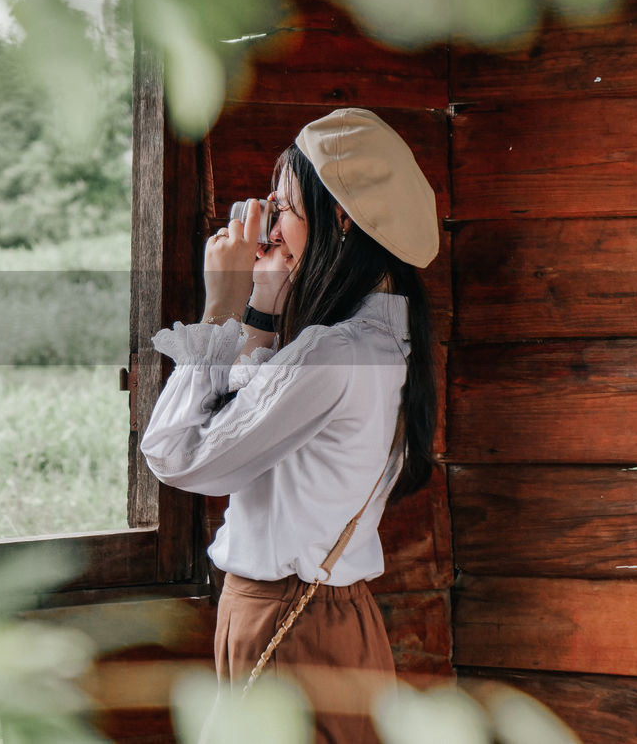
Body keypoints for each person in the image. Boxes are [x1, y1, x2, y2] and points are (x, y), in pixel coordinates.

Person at [139, 108, 439, 744]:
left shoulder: (334, 353)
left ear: (341, 217)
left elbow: (177, 454)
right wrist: (263, 306)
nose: (270, 227)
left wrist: (219, 305)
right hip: (326, 618)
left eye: (284, 209)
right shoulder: (384, 338)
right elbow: (252, 422)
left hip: (286, 622)